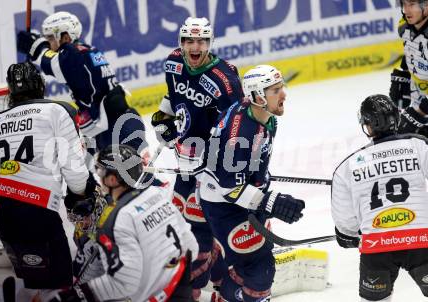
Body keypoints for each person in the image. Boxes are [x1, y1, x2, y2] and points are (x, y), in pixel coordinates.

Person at [150, 17, 243, 300]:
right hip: (186, 158)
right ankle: (201, 278)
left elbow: (238, 124)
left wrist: (227, 164)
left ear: (210, 43)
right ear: (181, 43)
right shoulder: (173, 63)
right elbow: (171, 97)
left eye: (201, 40)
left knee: (204, 224)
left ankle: (216, 283)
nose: (195, 46)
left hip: (212, 166)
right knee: (181, 219)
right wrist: (162, 121)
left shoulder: (224, 77)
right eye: (189, 40)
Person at [0, 62, 98, 300]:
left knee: (35, 281)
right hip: (39, 217)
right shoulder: (57, 110)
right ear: (40, 85)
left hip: (6, 217)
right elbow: (76, 173)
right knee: (60, 289)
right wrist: (80, 196)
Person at [198, 65, 306, 302]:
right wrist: (269, 202)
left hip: (240, 194)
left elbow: (251, 164)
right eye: (276, 90)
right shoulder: (239, 136)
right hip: (223, 205)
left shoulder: (264, 116)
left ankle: (226, 288)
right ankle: (230, 285)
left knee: (258, 258)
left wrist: (261, 185)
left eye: (281, 88)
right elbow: (229, 187)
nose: (284, 94)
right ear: (258, 96)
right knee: (261, 267)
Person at [48, 144, 199, 302]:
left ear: (112, 179)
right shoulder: (158, 196)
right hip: (182, 288)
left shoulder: (116, 219)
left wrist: (75, 295)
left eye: (101, 172)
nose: (99, 178)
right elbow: (192, 248)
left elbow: (125, 283)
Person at [331, 94, 428, 301]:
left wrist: (348, 236)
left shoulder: (346, 167)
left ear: (367, 126)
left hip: (378, 246)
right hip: (421, 240)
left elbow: (346, 225)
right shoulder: (419, 146)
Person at [16, 11, 148, 156]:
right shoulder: (86, 50)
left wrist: (37, 47)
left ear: (65, 37)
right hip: (117, 124)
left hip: (118, 129)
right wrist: (39, 48)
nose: (49, 44)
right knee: (107, 173)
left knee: (130, 177)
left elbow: (52, 64)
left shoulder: (73, 53)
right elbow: (58, 64)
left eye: (50, 38)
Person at [390, 0, 428, 135]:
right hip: (419, 92)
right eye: (404, 4)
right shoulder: (404, 26)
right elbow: (411, 48)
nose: (406, 10)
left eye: (411, 5)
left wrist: (418, 113)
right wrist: (404, 74)